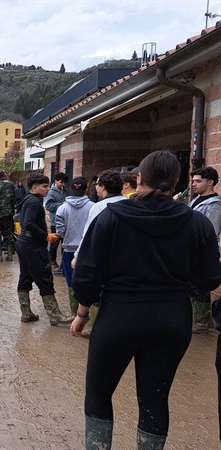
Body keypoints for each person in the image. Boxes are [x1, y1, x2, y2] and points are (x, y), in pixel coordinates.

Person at [70, 151, 221, 449]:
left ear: (139, 180)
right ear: (176, 182)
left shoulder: (111, 217)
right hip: (171, 320)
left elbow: (87, 272)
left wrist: (83, 312)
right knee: (155, 397)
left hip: (118, 316)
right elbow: (209, 279)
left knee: (99, 393)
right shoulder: (197, 223)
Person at [71, 170, 125, 338]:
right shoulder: (130, 203)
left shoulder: (100, 207)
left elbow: (89, 235)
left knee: (98, 290)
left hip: (104, 256)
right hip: (124, 260)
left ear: (102, 187)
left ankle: (93, 324)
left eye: (97, 185)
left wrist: (78, 256)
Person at [15, 174, 73, 326]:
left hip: (24, 243)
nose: (48, 189)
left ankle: (26, 313)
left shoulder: (29, 199)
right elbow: (28, 223)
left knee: (25, 276)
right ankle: (55, 316)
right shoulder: (34, 202)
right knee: (45, 277)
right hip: (33, 245)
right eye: (45, 186)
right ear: (35, 187)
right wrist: (46, 236)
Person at [187, 166, 221, 333]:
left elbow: (212, 232)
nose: (193, 184)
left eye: (198, 181)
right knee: (191, 285)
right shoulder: (196, 200)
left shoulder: (214, 205)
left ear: (210, 182)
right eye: (193, 181)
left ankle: (202, 322)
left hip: (202, 251)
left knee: (200, 285)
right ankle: (195, 318)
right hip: (191, 250)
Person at [53, 177, 93, 316]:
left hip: (69, 249)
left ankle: (74, 312)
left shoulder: (62, 208)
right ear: (86, 189)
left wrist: (67, 237)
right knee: (89, 280)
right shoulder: (93, 207)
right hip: (88, 250)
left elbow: (60, 230)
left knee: (71, 281)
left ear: (70, 189)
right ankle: (87, 315)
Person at [0, 170, 17, 262]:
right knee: (8, 234)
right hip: (9, 213)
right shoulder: (11, 184)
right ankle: (9, 255)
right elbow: (16, 197)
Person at [44, 172, 69, 272]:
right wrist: (61, 205)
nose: (62, 184)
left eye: (64, 183)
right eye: (61, 182)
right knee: (55, 242)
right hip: (56, 221)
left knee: (65, 243)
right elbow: (48, 206)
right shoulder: (51, 192)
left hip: (66, 220)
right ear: (56, 181)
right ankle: (52, 261)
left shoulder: (66, 191)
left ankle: (64, 263)